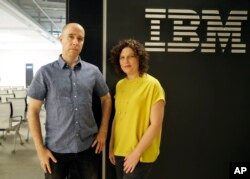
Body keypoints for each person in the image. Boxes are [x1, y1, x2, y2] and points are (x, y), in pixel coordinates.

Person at [27, 23, 112, 179]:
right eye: (71, 37)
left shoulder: (93, 71)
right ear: (61, 39)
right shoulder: (45, 73)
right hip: (55, 151)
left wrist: (103, 131)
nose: (75, 42)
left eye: (80, 39)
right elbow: (32, 111)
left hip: (87, 149)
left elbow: (106, 99)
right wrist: (40, 150)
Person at [109, 39, 166, 179]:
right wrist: (111, 145)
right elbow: (118, 117)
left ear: (139, 58)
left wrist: (136, 153)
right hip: (119, 150)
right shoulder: (120, 85)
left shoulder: (153, 85)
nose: (125, 61)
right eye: (122, 57)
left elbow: (156, 124)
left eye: (130, 56)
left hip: (140, 154)